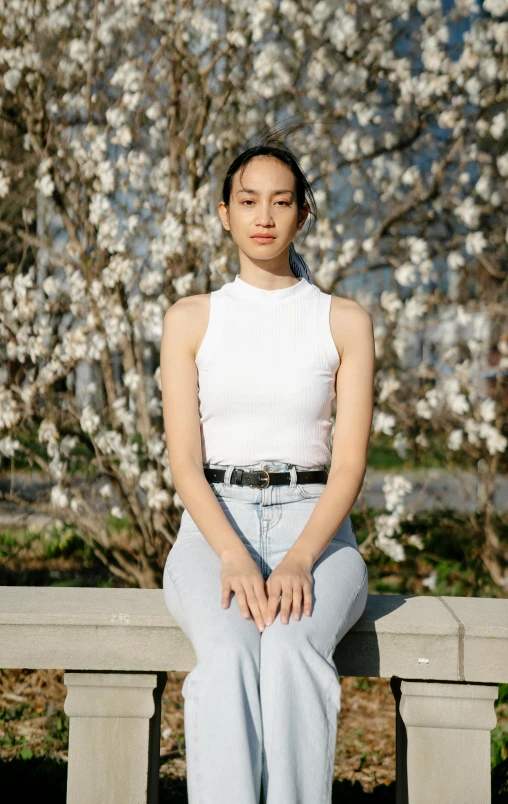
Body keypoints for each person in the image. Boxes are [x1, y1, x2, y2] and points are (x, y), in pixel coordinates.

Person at [159, 124, 375, 804]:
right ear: (224, 214)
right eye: (248, 201)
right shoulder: (190, 318)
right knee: (224, 658)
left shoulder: (343, 320)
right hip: (211, 531)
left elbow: (349, 466)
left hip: (319, 534)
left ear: (302, 214)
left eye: (281, 201)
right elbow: (185, 462)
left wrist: (300, 558)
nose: (264, 215)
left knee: (290, 651)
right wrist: (230, 553)